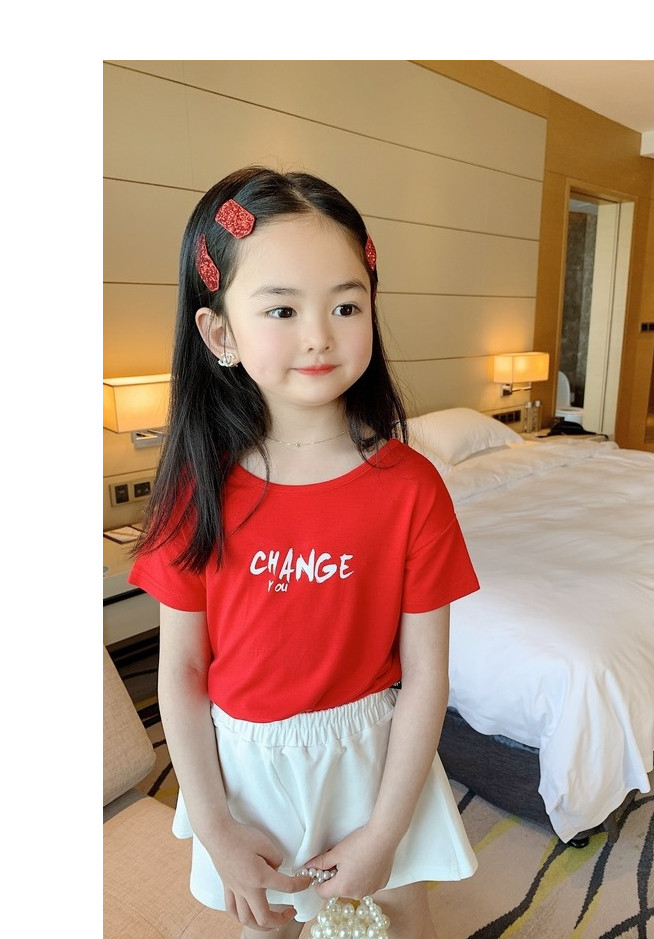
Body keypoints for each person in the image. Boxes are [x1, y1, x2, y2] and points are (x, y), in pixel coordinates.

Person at [129, 166, 480, 938]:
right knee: (270, 923)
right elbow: (181, 673)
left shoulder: (412, 487)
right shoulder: (197, 487)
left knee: (399, 919)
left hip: (372, 761)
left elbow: (427, 674)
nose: (319, 334)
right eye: (282, 308)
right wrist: (215, 828)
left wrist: (385, 831)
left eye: (346, 305)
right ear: (220, 333)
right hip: (246, 773)